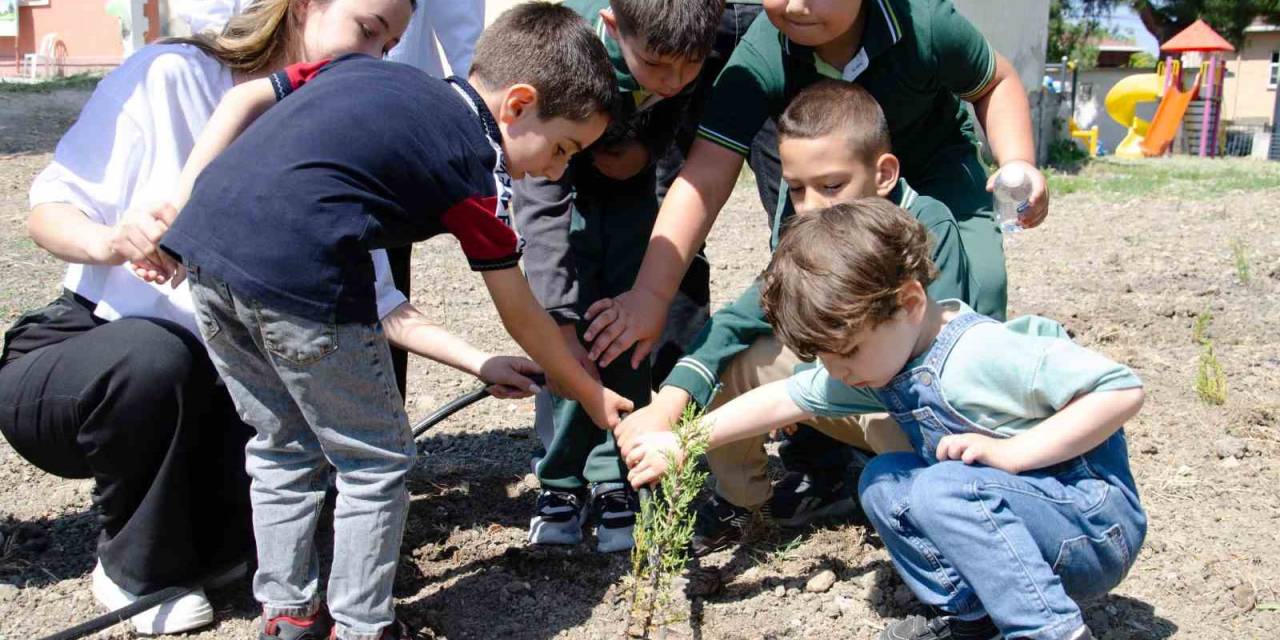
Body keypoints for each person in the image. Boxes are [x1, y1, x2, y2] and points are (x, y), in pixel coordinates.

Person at [156, 5, 631, 638]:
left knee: (281, 446)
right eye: (563, 148)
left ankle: (287, 614)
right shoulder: (477, 171)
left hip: (208, 262)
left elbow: (244, 97)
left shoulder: (363, 72)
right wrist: (593, 394)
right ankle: (362, 624)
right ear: (516, 106)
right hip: (305, 280)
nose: (556, 170)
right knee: (374, 460)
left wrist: (187, 196)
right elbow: (520, 311)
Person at [0, 0, 422, 634]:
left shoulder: (335, 137)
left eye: (387, 48)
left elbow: (380, 304)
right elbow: (48, 209)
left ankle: (257, 550)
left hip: (226, 371)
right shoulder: (173, 76)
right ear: (304, 6)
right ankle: (135, 567)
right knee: (156, 358)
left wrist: (487, 358)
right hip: (97, 347)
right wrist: (112, 240)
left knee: (333, 355)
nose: (371, 60)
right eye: (366, 30)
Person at [626, 200, 1147, 640]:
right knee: (883, 483)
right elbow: (785, 398)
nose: (839, 373)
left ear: (909, 303)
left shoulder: (979, 354)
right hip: (1021, 525)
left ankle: (1048, 629)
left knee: (940, 489)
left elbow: (1120, 388)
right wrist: (683, 442)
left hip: (1090, 527)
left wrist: (1017, 453)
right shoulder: (886, 357)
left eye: (847, 353)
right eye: (827, 361)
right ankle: (972, 618)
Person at [583, 0, 1052, 375]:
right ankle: (821, 446)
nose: (797, 6)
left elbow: (995, 80)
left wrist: (1019, 162)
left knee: (980, 279)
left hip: (935, 164)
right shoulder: (762, 52)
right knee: (807, 285)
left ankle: (978, 400)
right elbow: (705, 175)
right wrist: (650, 295)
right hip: (831, 187)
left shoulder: (926, 21)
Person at [623, 80, 981, 554]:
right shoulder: (808, 232)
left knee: (914, 491)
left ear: (885, 174)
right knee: (737, 359)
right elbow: (737, 322)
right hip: (836, 380)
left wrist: (805, 394)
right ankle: (742, 504)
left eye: (831, 186)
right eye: (795, 189)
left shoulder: (927, 226)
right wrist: (669, 406)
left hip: (911, 408)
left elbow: (937, 371)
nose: (811, 206)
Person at [515, 0, 725, 554]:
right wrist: (555, 320)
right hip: (564, 174)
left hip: (638, 186)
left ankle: (615, 475)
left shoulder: (685, 54)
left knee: (627, 328)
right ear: (612, 27)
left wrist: (649, 294)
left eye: (690, 66)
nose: (674, 82)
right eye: (657, 67)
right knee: (573, 334)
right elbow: (540, 205)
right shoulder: (566, 63)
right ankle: (560, 480)